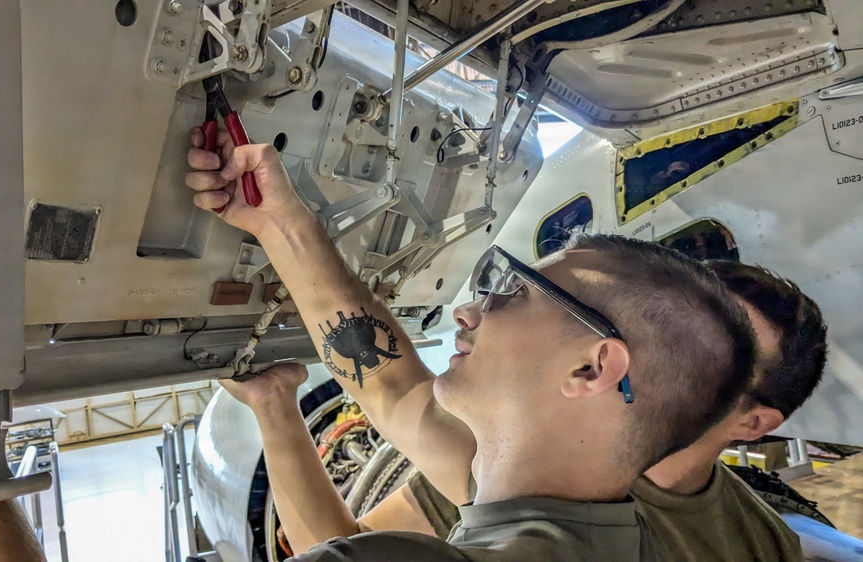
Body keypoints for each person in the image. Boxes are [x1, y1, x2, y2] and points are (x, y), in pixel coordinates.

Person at [185, 129, 758, 561]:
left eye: (515, 293)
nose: (468, 309)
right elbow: (392, 387)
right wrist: (277, 222)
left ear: (593, 366)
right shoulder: (579, 509)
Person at [247, 260, 823, 561]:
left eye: (725, 356)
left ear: (754, 424)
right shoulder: (524, 456)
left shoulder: (761, 542)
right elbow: (388, 387)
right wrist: (274, 404)